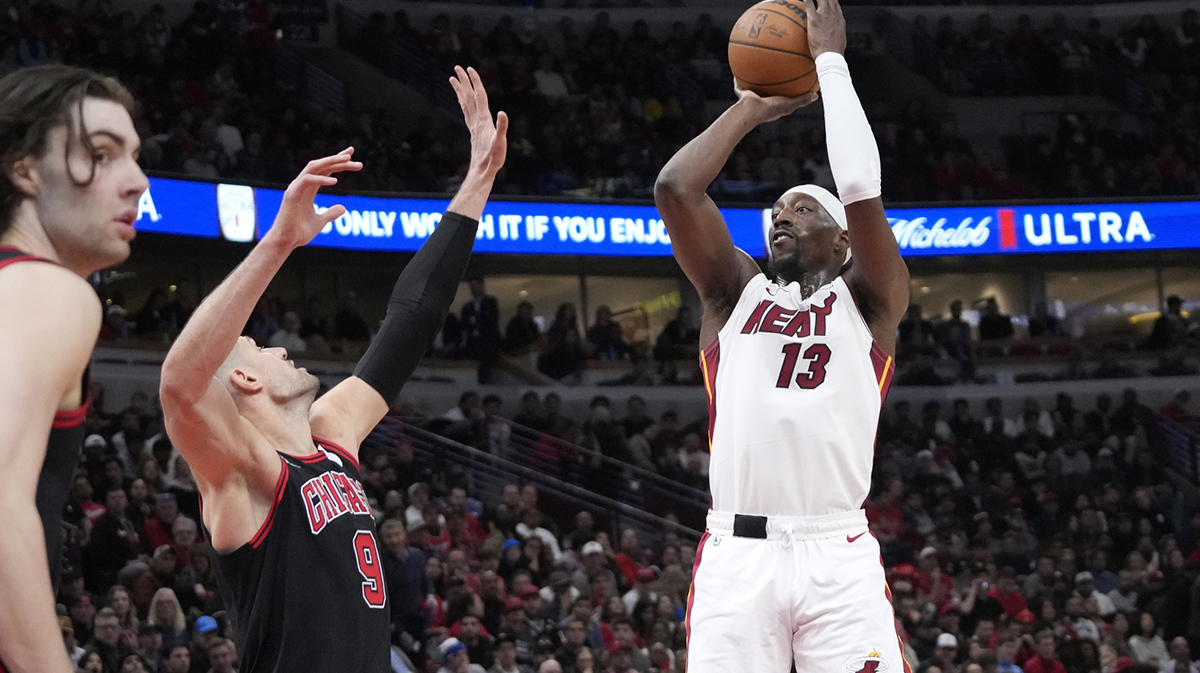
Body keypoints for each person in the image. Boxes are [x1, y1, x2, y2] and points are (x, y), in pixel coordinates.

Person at [157, 66, 507, 673]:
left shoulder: (331, 437)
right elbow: (181, 387)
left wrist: (477, 181)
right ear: (244, 380)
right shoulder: (246, 472)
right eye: (260, 348)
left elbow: (410, 321)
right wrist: (278, 242)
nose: (281, 350)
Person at [652, 0, 909, 669]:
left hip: (837, 552)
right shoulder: (735, 292)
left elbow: (858, 184)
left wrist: (829, 63)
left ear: (842, 239)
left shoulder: (870, 303)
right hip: (739, 556)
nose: (781, 215)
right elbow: (677, 187)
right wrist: (749, 108)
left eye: (802, 207)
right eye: (776, 209)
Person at [0, 64, 147, 673]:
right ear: (26, 169)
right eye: (102, 154)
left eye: (135, 156)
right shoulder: (46, 289)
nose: (137, 180)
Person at [462, 275, 501, 383]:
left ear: (481, 285)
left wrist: (476, 321)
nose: (473, 288)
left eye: (475, 285)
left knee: (487, 370)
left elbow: (492, 320)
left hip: (488, 345)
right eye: (471, 286)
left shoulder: (491, 302)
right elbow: (464, 324)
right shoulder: (468, 307)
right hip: (473, 346)